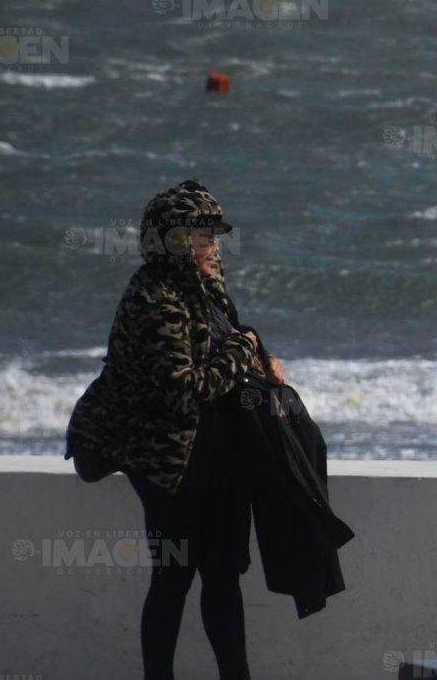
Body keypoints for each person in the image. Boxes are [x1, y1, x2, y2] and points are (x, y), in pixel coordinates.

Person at [65, 179, 285, 680]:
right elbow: (186, 388)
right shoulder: (154, 299)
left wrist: (260, 353)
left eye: (214, 236)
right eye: (202, 237)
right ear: (175, 242)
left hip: (213, 453)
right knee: (174, 576)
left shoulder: (206, 280)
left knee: (224, 575)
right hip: (163, 457)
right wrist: (242, 352)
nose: (214, 247)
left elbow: (230, 332)